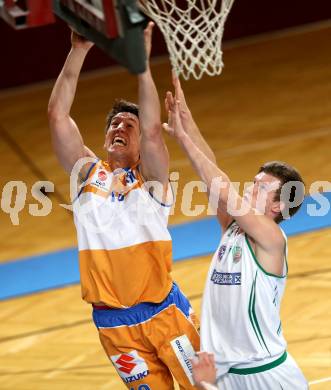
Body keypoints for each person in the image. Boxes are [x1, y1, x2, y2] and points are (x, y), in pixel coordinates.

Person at [47, 23, 200, 390]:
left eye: (128, 124)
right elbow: (57, 116)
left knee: (207, 387)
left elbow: (151, 131)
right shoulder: (88, 174)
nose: (120, 127)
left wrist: (141, 66)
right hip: (113, 324)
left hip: (164, 312)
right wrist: (78, 50)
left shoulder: (152, 180)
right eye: (115, 122)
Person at [163, 77, 309, 389]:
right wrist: (187, 122)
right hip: (226, 376)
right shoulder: (233, 226)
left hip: (269, 375)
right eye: (254, 181)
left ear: (278, 206)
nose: (251, 187)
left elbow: (222, 186)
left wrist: (183, 140)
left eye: (261, 187)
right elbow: (213, 172)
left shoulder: (271, 238)